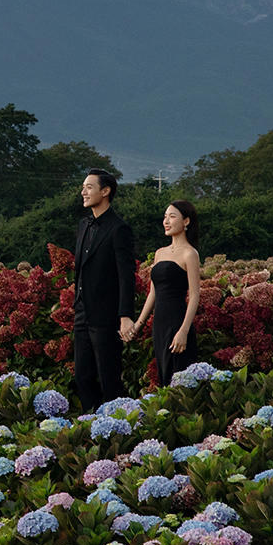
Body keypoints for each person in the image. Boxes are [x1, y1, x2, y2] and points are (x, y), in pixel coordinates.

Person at [71, 168, 136, 412]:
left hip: (107, 316)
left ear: (105, 191)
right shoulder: (83, 225)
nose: (83, 192)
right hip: (82, 312)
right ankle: (92, 424)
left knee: (109, 377)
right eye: (84, 187)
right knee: (82, 376)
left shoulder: (119, 229)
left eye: (89, 187)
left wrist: (125, 315)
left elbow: (126, 276)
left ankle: (118, 428)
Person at [126, 200, 202, 389]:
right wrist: (138, 325)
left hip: (178, 321)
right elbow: (153, 293)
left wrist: (183, 331)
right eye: (165, 217)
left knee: (180, 380)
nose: (166, 221)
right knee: (164, 378)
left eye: (172, 216)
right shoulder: (160, 253)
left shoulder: (190, 254)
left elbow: (194, 295)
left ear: (186, 221)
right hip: (159, 324)